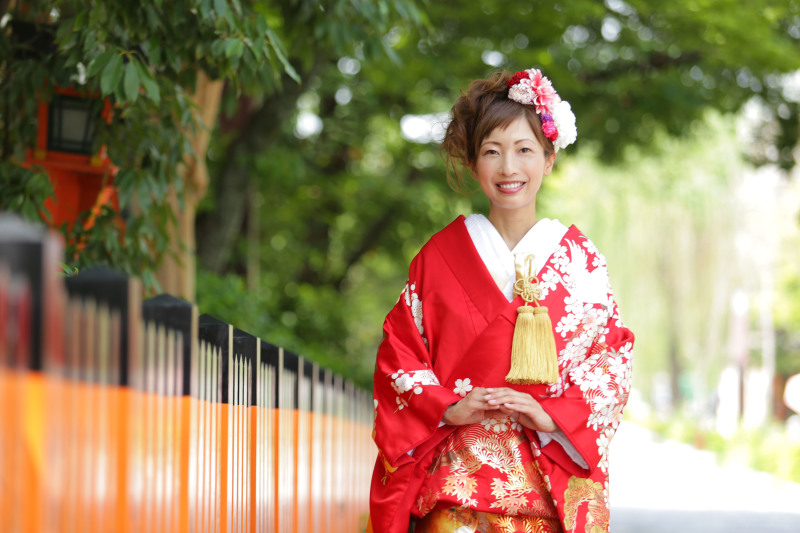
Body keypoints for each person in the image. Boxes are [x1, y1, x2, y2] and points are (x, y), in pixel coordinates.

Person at [369, 68, 634, 533]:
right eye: (492, 152)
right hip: (454, 495)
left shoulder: (581, 263)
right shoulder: (439, 257)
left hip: (544, 497)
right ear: (473, 164)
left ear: (549, 159)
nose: (509, 168)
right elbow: (399, 357)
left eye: (525, 150)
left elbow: (611, 363)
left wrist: (549, 412)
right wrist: (448, 406)